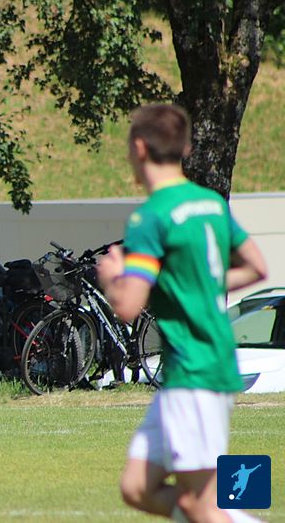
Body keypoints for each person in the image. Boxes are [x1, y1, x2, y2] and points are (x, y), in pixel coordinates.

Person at [96, 104, 267, 523]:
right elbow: (256, 267)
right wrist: (196, 286)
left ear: (139, 147)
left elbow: (127, 307)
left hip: (195, 370)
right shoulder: (210, 203)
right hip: (196, 369)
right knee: (136, 487)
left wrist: (112, 278)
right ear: (185, 147)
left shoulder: (150, 216)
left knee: (198, 504)